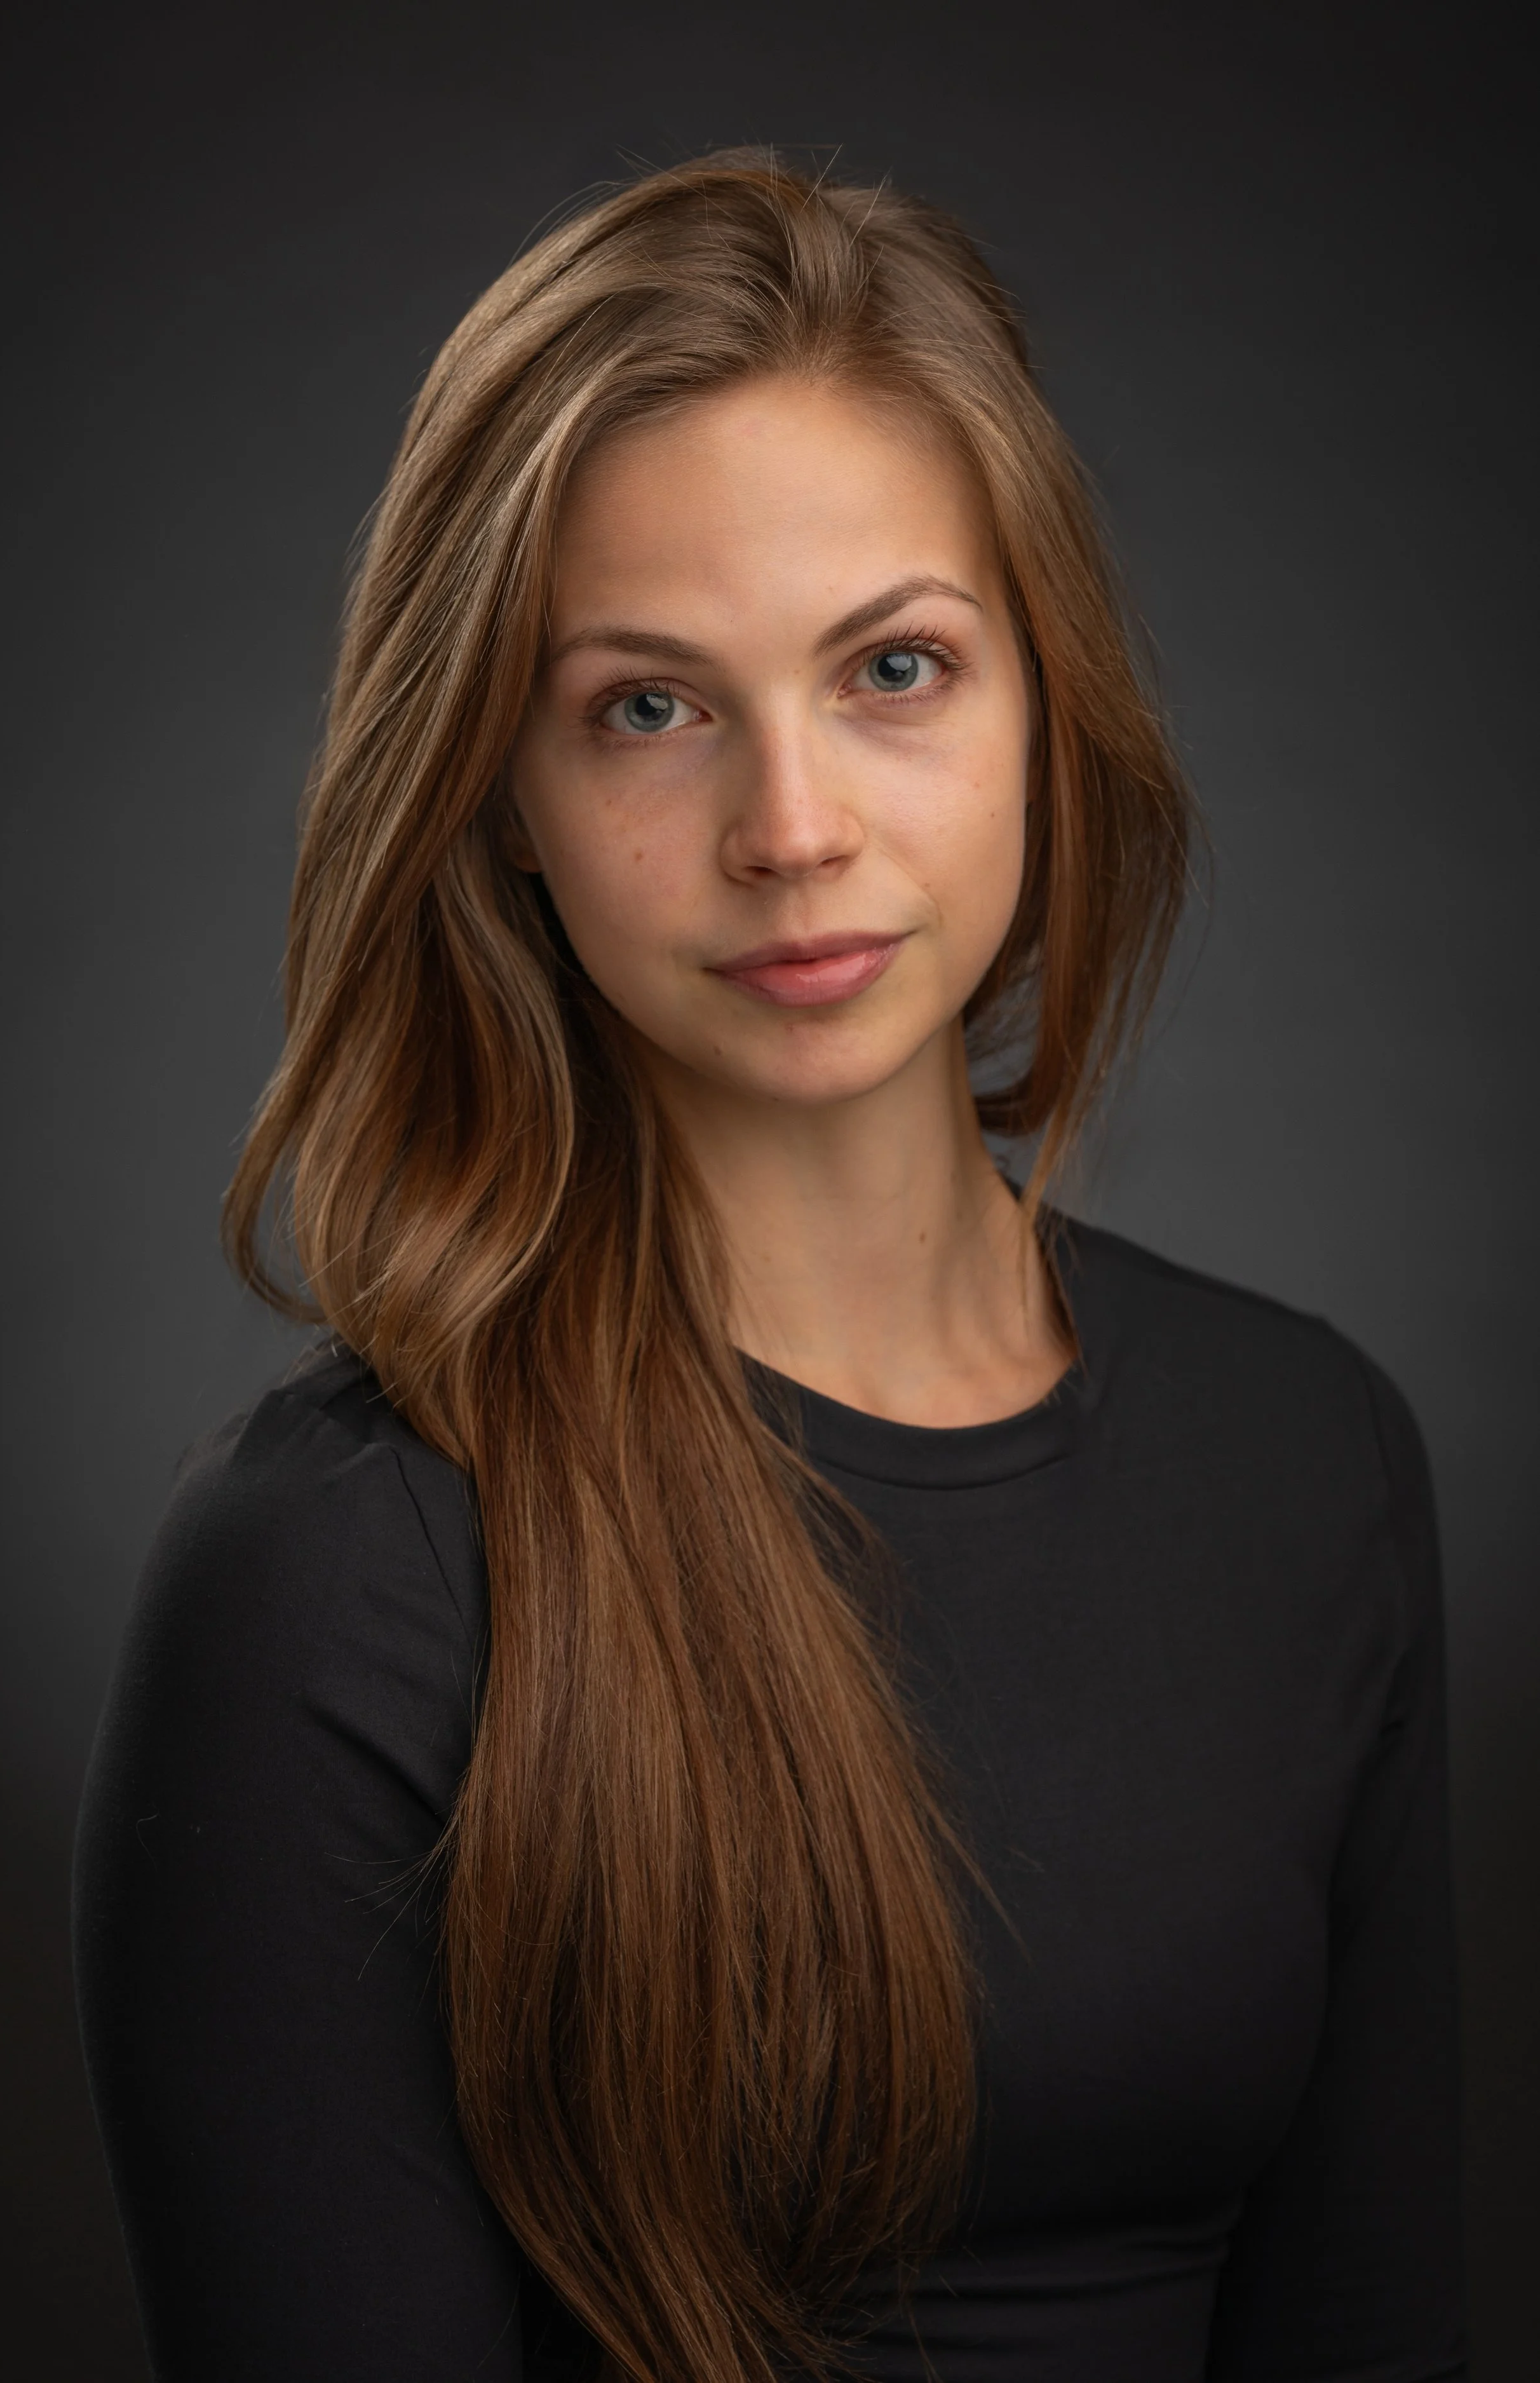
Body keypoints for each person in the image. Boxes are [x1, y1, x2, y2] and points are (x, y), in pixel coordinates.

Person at [72, 153, 1466, 2382]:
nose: (792, 827)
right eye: (648, 705)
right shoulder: (339, 1573)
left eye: (894, 668)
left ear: (1045, 701)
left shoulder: (1314, 1455)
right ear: (497, 795)